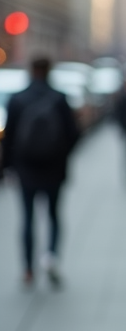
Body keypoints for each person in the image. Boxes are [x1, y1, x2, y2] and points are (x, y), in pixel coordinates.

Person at [0, 57, 80, 287]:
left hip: (26, 169)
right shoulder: (59, 99)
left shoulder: (17, 99)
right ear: (49, 71)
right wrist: (61, 156)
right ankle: (51, 257)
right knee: (54, 215)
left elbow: (9, 139)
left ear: (31, 70)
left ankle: (27, 269)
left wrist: (8, 168)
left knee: (27, 218)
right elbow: (73, 134)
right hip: (54, 169)